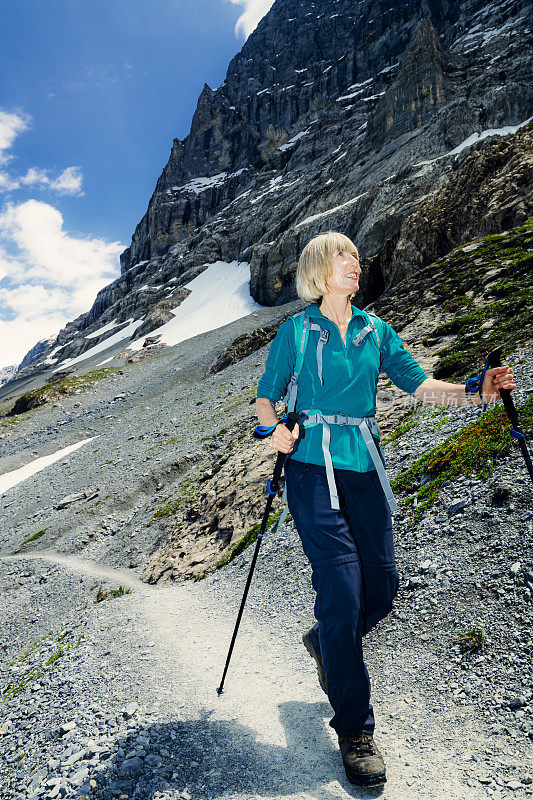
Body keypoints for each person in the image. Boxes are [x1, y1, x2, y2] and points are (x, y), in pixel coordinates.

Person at [255, 230, 516, 787]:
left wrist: (479, 390)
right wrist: (271, 428)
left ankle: (327, 640)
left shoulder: (377, 330)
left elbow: (421, 387)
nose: (356, 263)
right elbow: (265, 395)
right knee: (342, 590)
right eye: (345, 258)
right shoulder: (295, 333)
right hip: (309, 469)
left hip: (364, 467)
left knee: (384, 585)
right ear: (321, 271)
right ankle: (356, 731)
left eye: (356, 257)